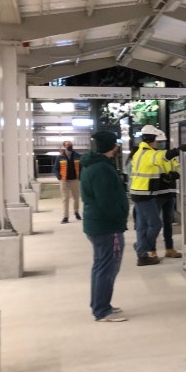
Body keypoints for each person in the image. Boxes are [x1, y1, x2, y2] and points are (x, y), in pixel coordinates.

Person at [80, 131, 129, 322]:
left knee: (101, 265)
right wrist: (119, 216)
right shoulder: (101, 168)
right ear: (112, 146)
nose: (117, 147)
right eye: (115, 144)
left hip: (98, 224)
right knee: (108, 268)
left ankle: (100, 305)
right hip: (107, 226)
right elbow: (106, 200)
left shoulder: (92, 165)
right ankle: (102, 311)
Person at [129, 125, 181, 266]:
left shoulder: (142, 152)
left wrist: (173, 174)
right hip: (145, 194)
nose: (159, 144)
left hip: (141, 192)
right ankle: (142, 248)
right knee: (155, 224)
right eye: (157, 141)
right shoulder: (147, 153)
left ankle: (142, 253)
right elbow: (162, 157)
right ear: (152, 139)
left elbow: (171, 164)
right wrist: (178, 150)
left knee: (142, 225)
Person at [52, 140, 82, 224]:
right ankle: (65, 216)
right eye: (68, 145)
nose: (69, 146)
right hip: (64, 180)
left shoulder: (77, 156)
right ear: (64, 146)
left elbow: (81, 167)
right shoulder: (60, 157)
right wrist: (59, 177)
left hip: (74, 180)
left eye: (71, 144)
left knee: (76, 197)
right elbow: (56, 168)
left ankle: (76, 212)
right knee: (65, 199)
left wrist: (80, 176)